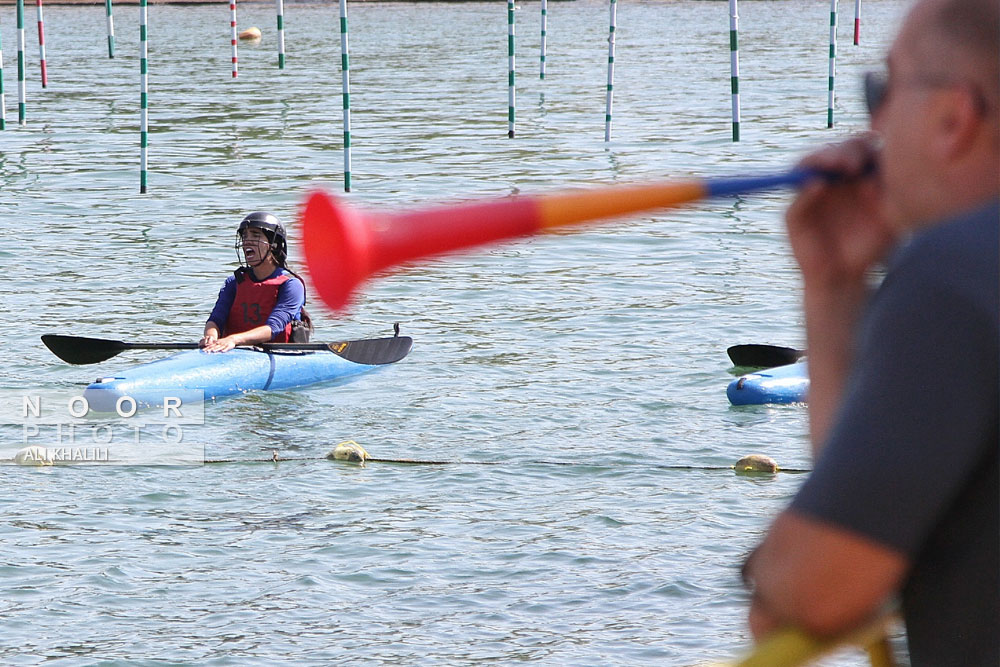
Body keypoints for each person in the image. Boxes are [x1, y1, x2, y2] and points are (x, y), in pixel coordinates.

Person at [741, 0, 999, 664]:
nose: (873, 122)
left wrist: (770, 568)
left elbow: (817, 591)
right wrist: (833, 286)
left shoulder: (954, 274)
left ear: (954, 117)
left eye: (882, 89)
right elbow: (867, 504)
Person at [200, 212, 313, 352]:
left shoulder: (292, 285)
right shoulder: (234, 282)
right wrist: (211, 337)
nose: (247, 240)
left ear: (274, 245)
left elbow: (273, 328)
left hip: (278, 354)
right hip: (232, 351)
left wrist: (234, 339)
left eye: (255, 235)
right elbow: (216, 319)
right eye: (245, 236)